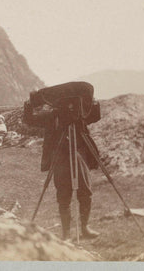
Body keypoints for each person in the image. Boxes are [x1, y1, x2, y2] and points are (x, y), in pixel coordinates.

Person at [23, 98, 100, 240]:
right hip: (60, 158)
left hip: (78, 156)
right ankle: (66, 234)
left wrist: (93, 102)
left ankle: (84, 228)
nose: (67, 105)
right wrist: (29, 104)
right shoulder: (52, 116)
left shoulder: (78, 114)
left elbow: (95, 116)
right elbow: (29, 120)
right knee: (63, 195)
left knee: (85, 192)